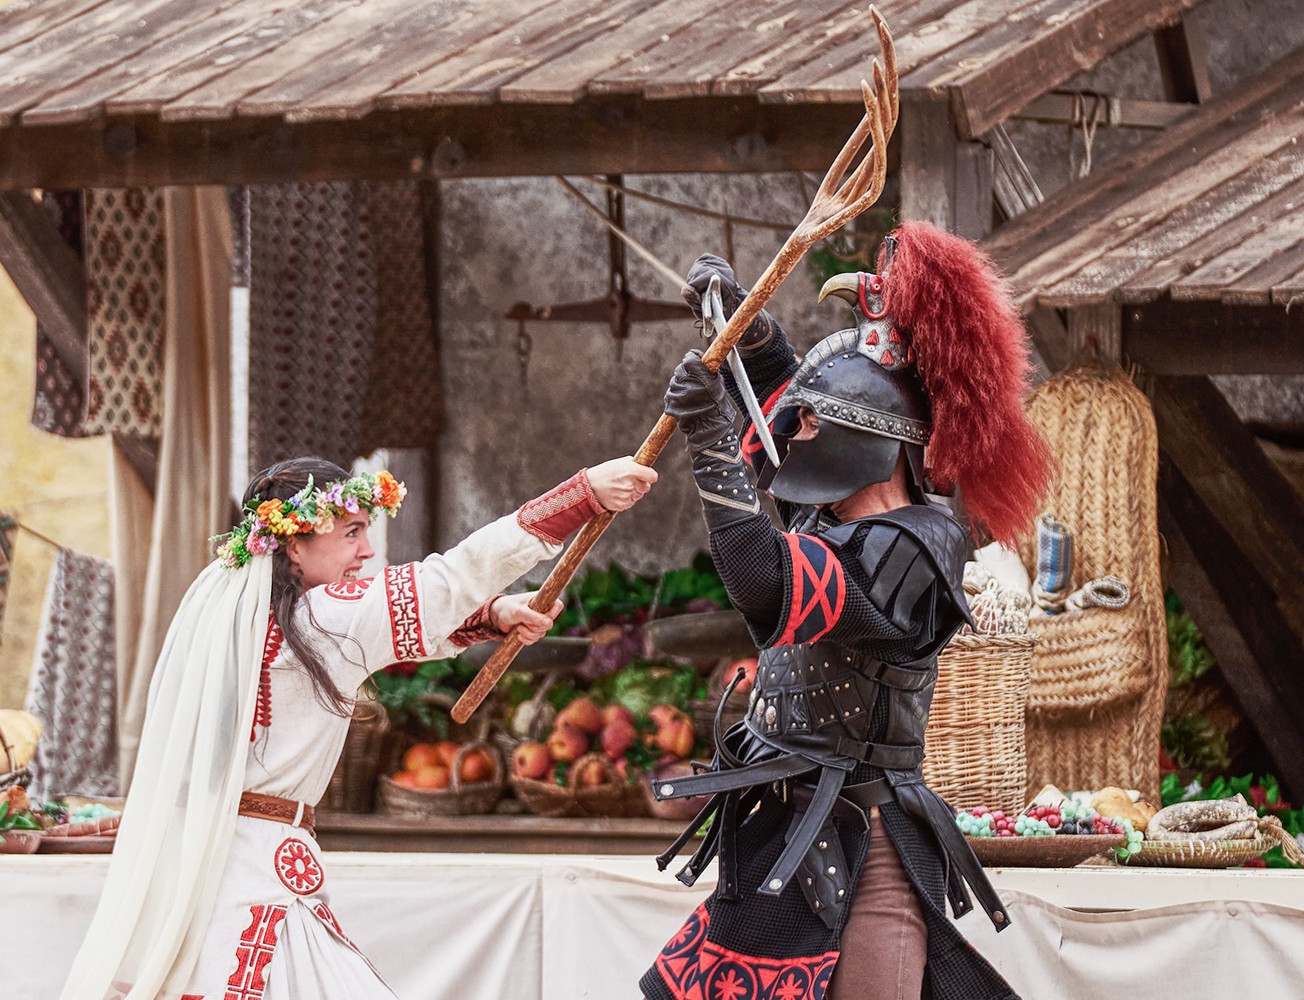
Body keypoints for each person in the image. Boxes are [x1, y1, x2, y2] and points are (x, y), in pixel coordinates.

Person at [60, 455, 657, 1000]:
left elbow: (387, 622)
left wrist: (489, 616)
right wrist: (580, 497)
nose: (367, 550)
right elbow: (445, 580)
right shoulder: (317, 616)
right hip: (261, 881)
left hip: (222, 869)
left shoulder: (257, 618)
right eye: (351, 533)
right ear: (292, 548)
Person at [642, 222, 1052, 1000]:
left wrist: (707, 440)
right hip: (786, 841)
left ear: (865, 442)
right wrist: (749, 327)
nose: (789, 435)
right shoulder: (830, 514)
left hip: (866, 851)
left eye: (810, 425)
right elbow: (789, 407)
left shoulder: (916, 544)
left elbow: (763, 581)